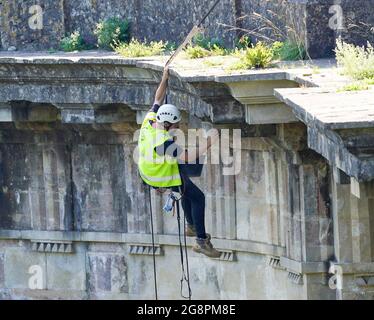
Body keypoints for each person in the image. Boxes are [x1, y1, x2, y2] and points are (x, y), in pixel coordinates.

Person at [138, 66, 221, 258]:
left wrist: (164, 79)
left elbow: (157, 99)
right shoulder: (162, 142)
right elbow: (186, 156)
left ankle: (191, 226)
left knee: (184, 184)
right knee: (198, 197)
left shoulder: (150, 120)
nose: (178, 126)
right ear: (167, 124)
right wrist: (211, 141)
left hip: (148, 169)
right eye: (176, 124)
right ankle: (201, 241)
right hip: (158, 175)